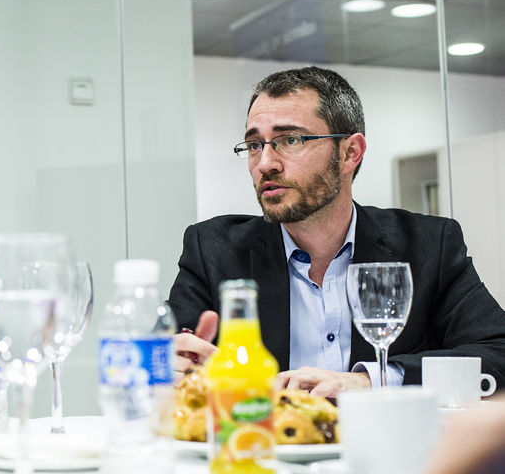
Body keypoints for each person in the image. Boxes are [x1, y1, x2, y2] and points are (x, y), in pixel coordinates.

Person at [168, 66, 505, 397]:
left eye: (290, 139)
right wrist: (168, 364)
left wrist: (375, 380)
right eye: (255, 144)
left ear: (350, 153)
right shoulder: (214, 251)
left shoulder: (428, 246)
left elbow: (497, 352)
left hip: (391, 447)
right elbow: (171, 353)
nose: (265, 163)